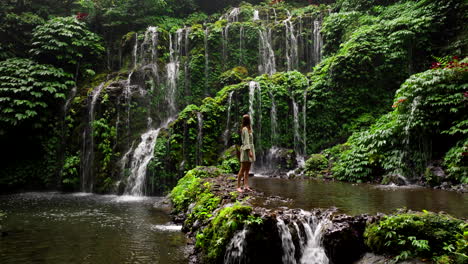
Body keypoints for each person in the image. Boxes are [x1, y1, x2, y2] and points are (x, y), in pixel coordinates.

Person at [237, 114, 256, 192]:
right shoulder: (245, 129)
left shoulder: (249, 129)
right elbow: (246, 141)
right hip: (246, 150)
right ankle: (238, 186)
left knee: (247, 170)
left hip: (250, 148)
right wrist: (249, 151)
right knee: (242, 169)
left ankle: (246, 185)